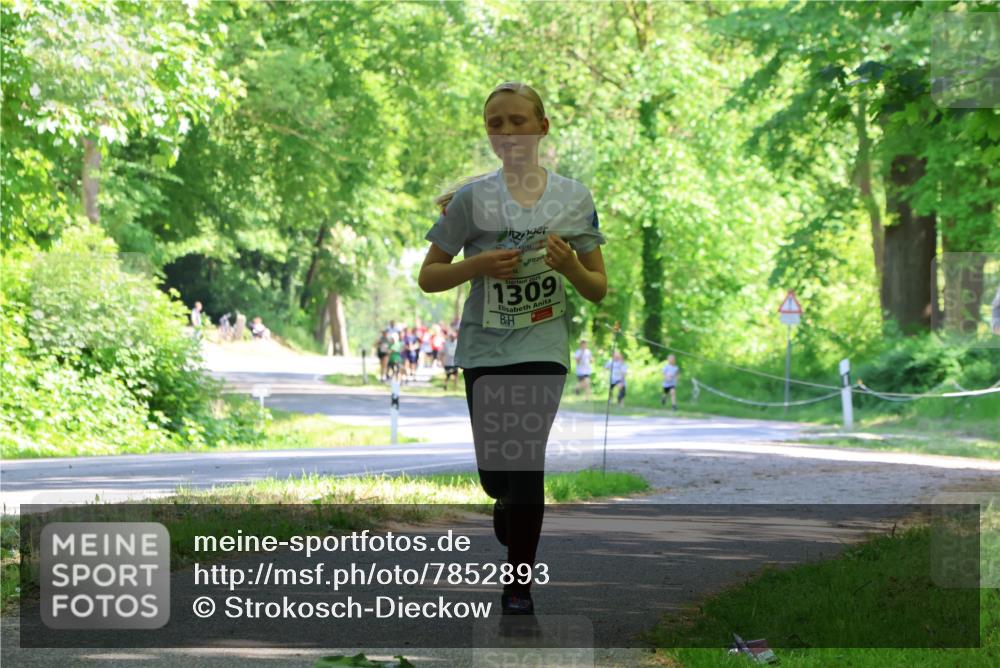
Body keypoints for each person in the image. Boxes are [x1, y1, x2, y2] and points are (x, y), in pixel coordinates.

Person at [418, 81, 607, 616]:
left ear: (542, 127)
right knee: (496, 473)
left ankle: (518, 587)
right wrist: (477, 265)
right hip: (483, 349)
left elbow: (596, 287)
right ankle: (503, 500)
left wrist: (569, 264)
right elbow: (429, 276)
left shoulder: (573, 197)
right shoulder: (472, 199)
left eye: (518, 120)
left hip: (544, 347)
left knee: (525, 463)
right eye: (496, 122)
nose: (507, 131)